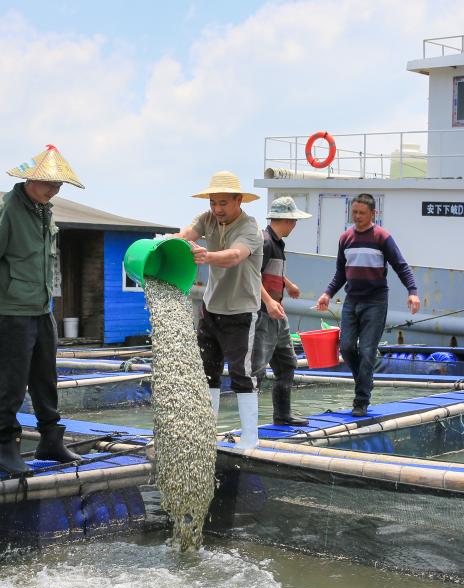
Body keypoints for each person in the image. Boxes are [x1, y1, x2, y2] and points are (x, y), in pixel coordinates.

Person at [0, 145, 86, 474]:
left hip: (40, 310)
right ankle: (7, 449)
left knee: (45, 379)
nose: (52, 191)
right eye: (47, 184)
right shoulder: (7, 209)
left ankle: (50, 439)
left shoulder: (44, 211)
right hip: (11, 313)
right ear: (30, 179)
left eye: (57, 186)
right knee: (10, 383)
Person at [178, 171, 264, 449]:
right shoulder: (207, 219)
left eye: (223, 203)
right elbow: (186, 235)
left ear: (239, 200)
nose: (217, 209)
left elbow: (235, 256)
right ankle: (206, 434)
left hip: (241, 312)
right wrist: (171, 241)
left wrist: (207, 256)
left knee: (241, 374)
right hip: (211, 309)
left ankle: (250, 438)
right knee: (207, 372)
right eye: (213, 202)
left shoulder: (250, 228)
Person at [314, 193, 419, 417]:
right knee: (347, 347)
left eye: (362, 213)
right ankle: (365, 380)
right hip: (352, 301)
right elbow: (341, 273)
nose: (357, 217)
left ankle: (361, 400)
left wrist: (412, 292)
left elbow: (401, 266)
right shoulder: (345, 239)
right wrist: (327, 294)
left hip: (375, 301)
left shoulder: (382, 237)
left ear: (373, 213)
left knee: (367, 350)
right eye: (354, 212)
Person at [252, 196, 312, 426]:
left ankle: (282, 415)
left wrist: (288, 283)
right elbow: (252, 274)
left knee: (287, 364)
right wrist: (268, 301)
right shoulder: (265, 241)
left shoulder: (277, 243)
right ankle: (250, 422)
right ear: (286, 221)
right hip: (263, 315)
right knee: (256, 369)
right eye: (293, 221)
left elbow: (270, 272)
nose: (294, 226)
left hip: (278, 314)